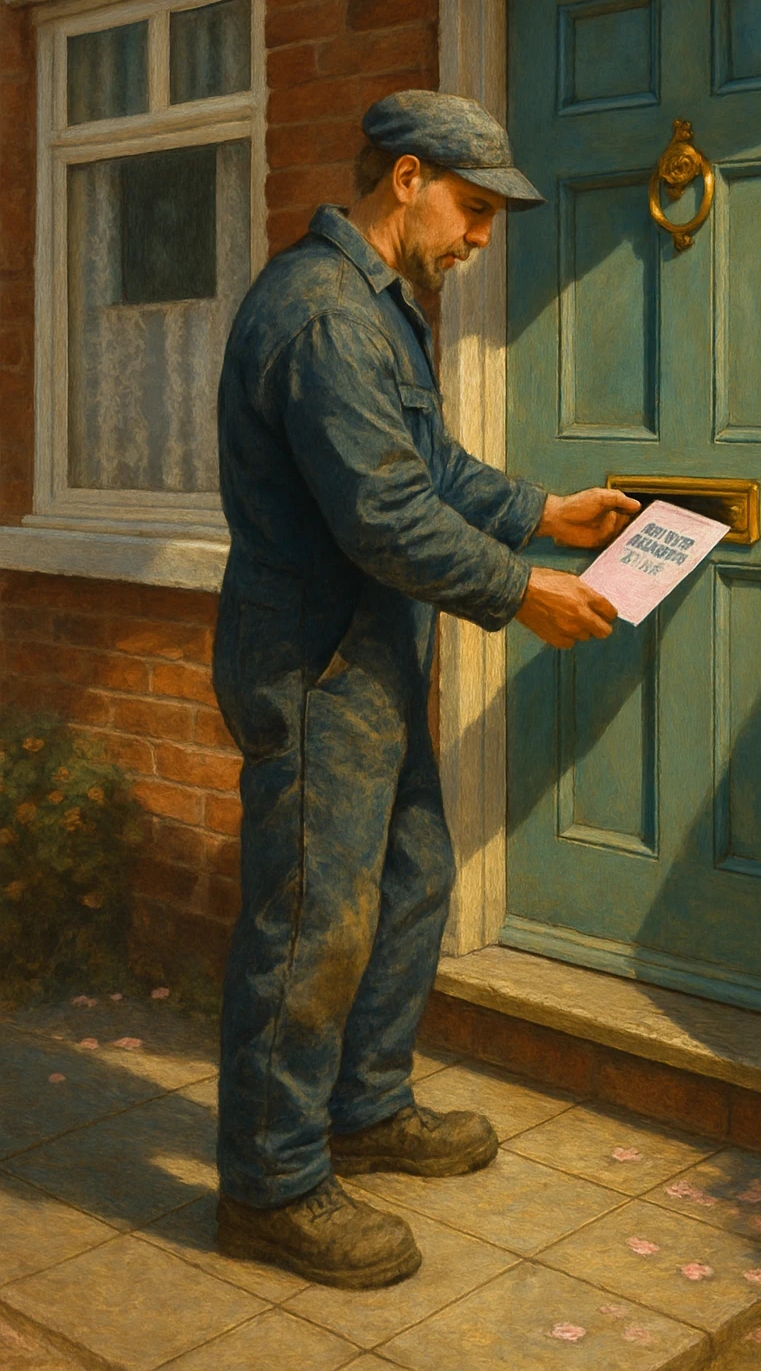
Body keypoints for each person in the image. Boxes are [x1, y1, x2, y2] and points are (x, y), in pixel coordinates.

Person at [212, 90, 640, 1289]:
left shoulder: (379, 306)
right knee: (312, 925)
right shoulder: (318, 316)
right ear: (405, 178)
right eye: (473, 207)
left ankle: (365, 1107)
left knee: (405, 886)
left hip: (370, 658)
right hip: (312, 668)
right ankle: (271, 1184)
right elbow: (385, 514)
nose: (482, 236)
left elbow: (429, 466)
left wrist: (540, 513)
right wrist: (525, 592)